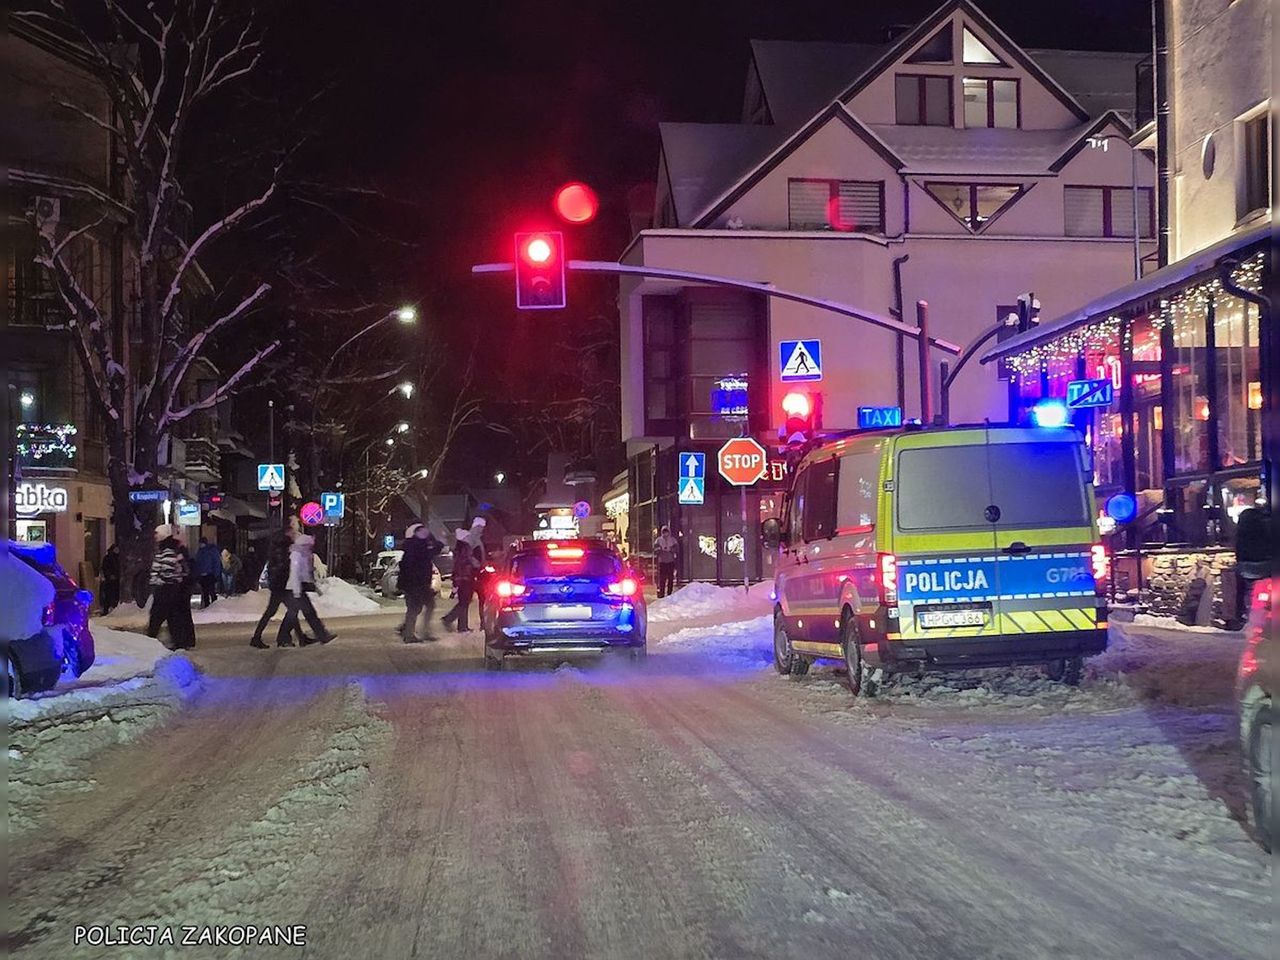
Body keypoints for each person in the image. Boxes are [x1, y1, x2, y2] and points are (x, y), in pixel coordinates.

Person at [276, 518, 336, 647]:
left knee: (295, 613)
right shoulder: (297, 553)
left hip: (296, 586)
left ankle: (285, 638)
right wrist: (297, 590)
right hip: (295, 587)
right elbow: (295, 571)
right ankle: (321, 635)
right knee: (307, 613)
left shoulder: (301, 552)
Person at [249, 530, 312, 648]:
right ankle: (294, 638)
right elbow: (282, 570)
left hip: (279, 586)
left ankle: (258, 638)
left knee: (285, 611)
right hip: (281, 587)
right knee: (290, 611)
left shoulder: (278, 551)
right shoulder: (282, 552)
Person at [147, 525, 195, 650]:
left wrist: (158, 581)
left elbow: (167, 571)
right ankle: (180, 641)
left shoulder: (167, 551)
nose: (155, 536)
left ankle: (149, 641)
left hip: (166, 590)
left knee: (158, 616)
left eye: (157, 533)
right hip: (171, 589)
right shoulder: (168, 549)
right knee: (172, 617)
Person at [397, 523, 444, 643]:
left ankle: (415, 632)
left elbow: (436, 549)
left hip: (419, 583)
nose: (425, 533)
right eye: (423, 532)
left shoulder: (419, 545)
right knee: (415, 608)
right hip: (416, 583)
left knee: (421, 607)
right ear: (417, 533)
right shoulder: (415, 546)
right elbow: (411, 565)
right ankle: (410, 634)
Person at [1231, 503, 1271, 628]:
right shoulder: (1267, 527)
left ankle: (1239, 613)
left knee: (1239, 587)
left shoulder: (1242, 532)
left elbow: (1238, 550)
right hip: (1265, 567)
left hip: (1245, 567)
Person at [442, 528, 478, 632]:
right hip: (465, 577)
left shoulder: (459, 548)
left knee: (464, 601)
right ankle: (449, 619)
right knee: (464, 601)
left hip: (462, 578)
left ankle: (462, 626)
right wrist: (473, 564)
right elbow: (466, 562)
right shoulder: (465, 548)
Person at [194, 537, 222, 608]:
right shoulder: (200, 551)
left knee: (210, 590)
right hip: (203, 574)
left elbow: (216, 563)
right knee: (205, 591)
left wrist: (216, 574)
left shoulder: (210, 551)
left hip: (210, 574)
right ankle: (207, 605)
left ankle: (213, 604)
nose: (200, 544)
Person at [654, 525, 679, 598]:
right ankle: (661, 593)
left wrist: (670, 549)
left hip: (670, 561)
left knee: (670, 578)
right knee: (662, 579)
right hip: (662, 561)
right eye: (664, 532)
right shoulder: (658, 540)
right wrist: (661, 550)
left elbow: (677, 549)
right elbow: (655, 549)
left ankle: (669, 593)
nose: (665, 534)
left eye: (666, 532)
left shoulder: (673, 540)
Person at [99, 544, 121, 615]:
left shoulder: (119, 557)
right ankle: (106, 610)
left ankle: (114, 609)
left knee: (116, 595)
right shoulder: (107, 558)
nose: (117, 550)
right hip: (110, 580)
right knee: (108, 595)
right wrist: (109, 576)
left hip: (117, 579)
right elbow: (105, 568)